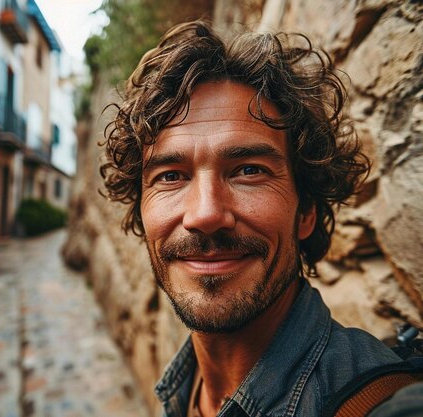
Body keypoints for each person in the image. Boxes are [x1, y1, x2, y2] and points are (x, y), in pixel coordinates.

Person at [100, 20, 420, 416]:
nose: (205, 214)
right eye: (170, 176)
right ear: (141, 211)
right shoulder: (185, 388)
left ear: (306, 211)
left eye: (249, 170)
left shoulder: (378, 405)